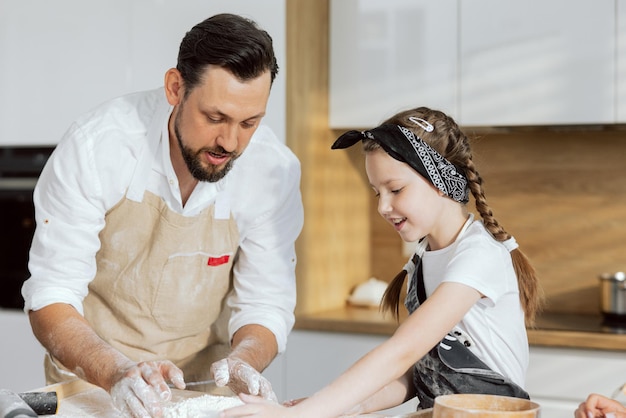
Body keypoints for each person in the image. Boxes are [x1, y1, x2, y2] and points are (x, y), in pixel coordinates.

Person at [21, 13, 303, 418]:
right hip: (93, 387)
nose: (230, 141)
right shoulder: (98, 147)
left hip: (205, 394)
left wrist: (245, 360)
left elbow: (265, 303)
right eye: (215, 118)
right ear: (175, 87)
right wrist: (118, 372)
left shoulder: (272, 172)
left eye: (249, 123)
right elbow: (51, 296)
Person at [221, 107, 542, 418]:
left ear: (443, 181)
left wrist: (308, 413)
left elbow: (402, 351)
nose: (383, 207)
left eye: (396, 189)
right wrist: (346, 407)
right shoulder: (423, 260)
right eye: (377, 193)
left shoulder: (478, 254)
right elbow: (419, 372)